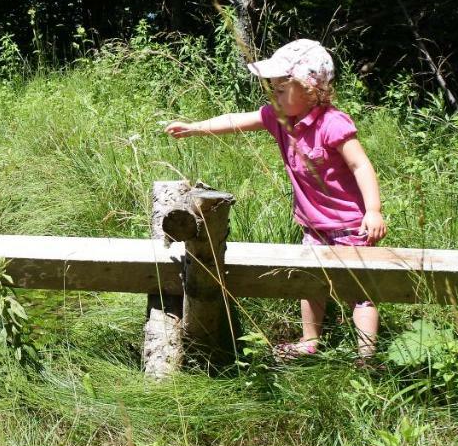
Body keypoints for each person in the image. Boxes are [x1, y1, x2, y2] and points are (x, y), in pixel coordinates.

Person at [164, 39, 386, 361]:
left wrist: (374, 211)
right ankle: (311, 340)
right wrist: (195, 128)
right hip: (313, 224)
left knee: (359, 293)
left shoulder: (332, 123)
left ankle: (367, 357)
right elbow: (235, 120)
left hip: (351, 226)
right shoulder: (279, 118)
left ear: (311, 89)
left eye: (281, 90)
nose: (274, 96)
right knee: (310, 284)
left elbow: (360, 165)